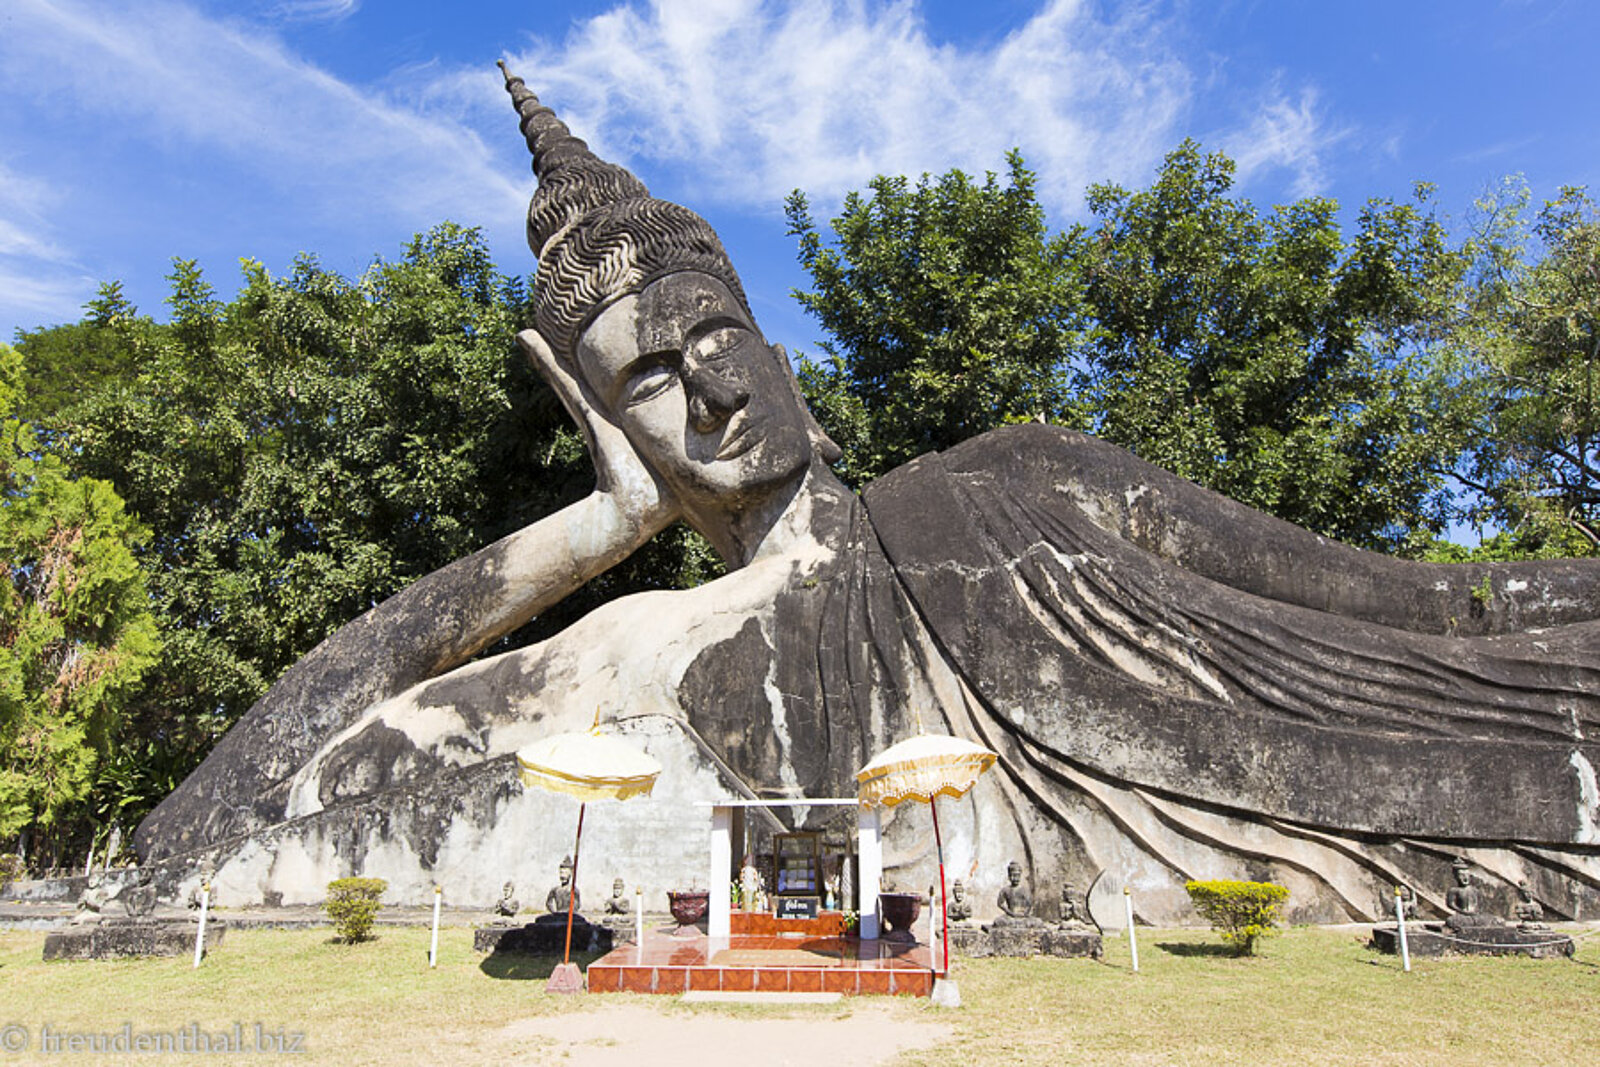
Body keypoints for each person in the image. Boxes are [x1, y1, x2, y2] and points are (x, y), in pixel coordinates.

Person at [134, 62, 1600, 925]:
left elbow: (1431, 605)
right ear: (611, 424)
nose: (707, 395)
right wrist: (603, 519)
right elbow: (217, 827)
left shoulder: (1016, 482)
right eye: (650, 387)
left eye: (713, 342)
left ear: (771, 352)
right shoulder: (640, 641)